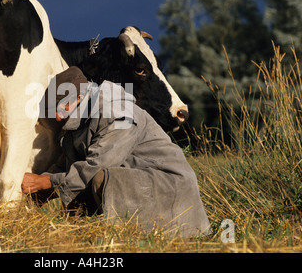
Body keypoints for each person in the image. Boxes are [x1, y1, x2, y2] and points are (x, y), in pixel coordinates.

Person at [22, 66, 211, 238]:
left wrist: (44, 182)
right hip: (141, 182)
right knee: (76, 188)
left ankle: (130, 238)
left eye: (61, 107)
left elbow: (97, 166)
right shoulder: (77, 119)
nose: (57, 116)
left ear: (79, 98)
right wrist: (27, 187)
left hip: (171, 189)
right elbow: (67, 167)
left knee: (100, 179)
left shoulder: (119, 114)